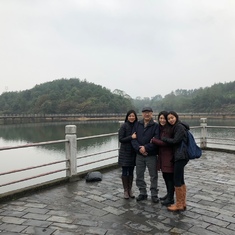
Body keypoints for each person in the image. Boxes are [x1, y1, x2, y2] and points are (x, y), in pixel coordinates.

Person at [161, 111, 189, 211]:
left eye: (172, 118)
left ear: (176, 117)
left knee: (177, 180)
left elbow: (176, 140)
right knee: (181, 179)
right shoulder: (178, 126)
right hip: (181, 156)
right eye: (169, 119)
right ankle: (182, 203)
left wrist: (164, 139)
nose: (170, 120)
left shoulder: (179, 127)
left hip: (180, 156)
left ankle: (178, 204)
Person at [131, 107, 159, 203]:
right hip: (139, 155)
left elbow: (156, 140)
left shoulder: (155, 125)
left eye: (149, 113)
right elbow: (133, 139)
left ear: (152, 113)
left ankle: (154, 194)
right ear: (142, 114)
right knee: (139, 174)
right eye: (145, 113)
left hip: (151, 155)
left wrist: (146, 148)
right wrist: (139, 148)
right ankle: (142, 192)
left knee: (153, 175)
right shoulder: (137, 124)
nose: (147, 114)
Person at [151, 111, 175, 206]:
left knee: (169, 177)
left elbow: (166, 143)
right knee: (165, 176)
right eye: (160, 118)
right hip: (162, 156)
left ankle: (171, 198)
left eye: (164, 118)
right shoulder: (161, 128)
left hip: (169, 156)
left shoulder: (169, 129)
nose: (162, 120)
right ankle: (169, 194)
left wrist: (153, 140)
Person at [118, 110, 138, 199]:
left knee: (131, 171)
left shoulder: (137, 126)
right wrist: (131, 137)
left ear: (135, 117)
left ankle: (130, 189)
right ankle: (125, 190)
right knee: (125, 171)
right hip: (125, 152)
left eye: (133, 116)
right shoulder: (124, 126)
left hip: (133, 152)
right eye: (130, 116)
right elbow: (121, 139)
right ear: (127, 117)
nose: (131, 117)